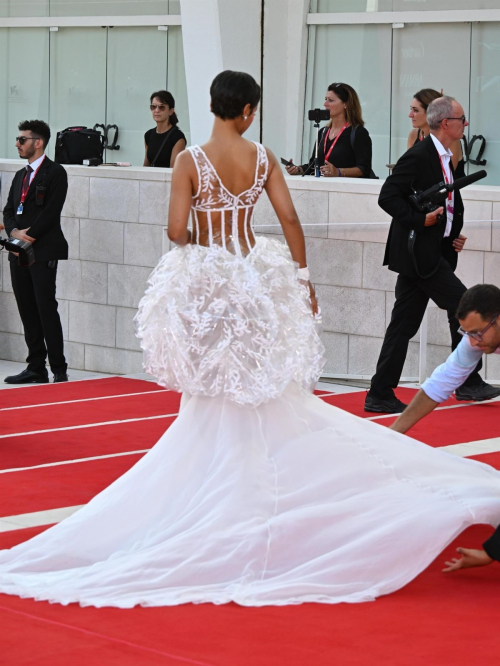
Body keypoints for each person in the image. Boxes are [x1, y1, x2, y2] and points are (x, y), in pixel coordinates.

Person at [2, 72, 500, 609]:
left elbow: (175, 231)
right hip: (257, 278)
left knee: (213, 392)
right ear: (246, 111)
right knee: (264, 389)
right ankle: (259, 493)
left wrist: (205, 237)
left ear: (215, 106)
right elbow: (288, 218)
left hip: (208, 282)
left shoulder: (188, 159)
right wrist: (302, 279)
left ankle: (226, 492)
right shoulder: (262, 157)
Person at [364, 96, 499, 414]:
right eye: (462, 119)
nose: (466, 124)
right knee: (467, 307)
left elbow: (447, 203)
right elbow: (388, 196)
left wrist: (450, 234)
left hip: (431, 252)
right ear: (446, 123)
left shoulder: (448, 155)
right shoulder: (421, 155)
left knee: (403, 324)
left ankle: (379, 392)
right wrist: (419, 221)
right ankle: (467, 381)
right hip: (417, 255)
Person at [389, 284, 500, 573]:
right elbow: (441, 382)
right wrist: (391, 433)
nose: (473, 343)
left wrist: (491, 551)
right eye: (467, 334)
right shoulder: (479, 336)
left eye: (478, 333)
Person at [3, 120, 69, 385]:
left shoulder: (55, 172)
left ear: (38, 142)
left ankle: (58, 368)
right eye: (18, 139)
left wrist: (29, 235)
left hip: (42, 250)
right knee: (27, 308)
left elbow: (51, 212)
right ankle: (35, 366)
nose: (17, 144)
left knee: (45, 308)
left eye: (22, 139)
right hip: (18, 251)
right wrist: (14, 233)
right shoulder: (20, 175)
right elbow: (9, 210)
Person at [285, 82, 372, 178]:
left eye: (330, 100)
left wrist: (338, 172)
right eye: (325, 99)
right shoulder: (322, 132)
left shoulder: (358, 133)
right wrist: (297, 169)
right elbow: (314, 165)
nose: (325, 104)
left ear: (346, 104)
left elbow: (363, 168)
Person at [144, 90, 186, 168]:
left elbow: (173, 171)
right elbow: (146, 166)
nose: (156, 110)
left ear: (170, 111)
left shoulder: (177, 137)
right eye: (153, 107)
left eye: (162, 107)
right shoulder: (148, 135)